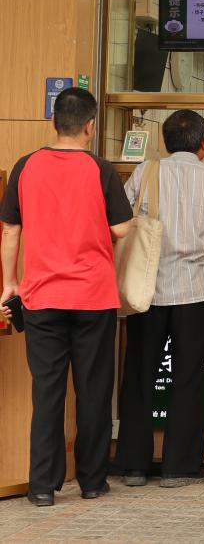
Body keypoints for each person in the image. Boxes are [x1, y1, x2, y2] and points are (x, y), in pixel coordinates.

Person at [0, 88, 133, 507]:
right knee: (93, 391)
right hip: (93, 296)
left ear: (53, 122)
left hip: (41, 296)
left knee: (48, 391)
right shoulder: (100, 168)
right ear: (91, 126)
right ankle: (92, 481)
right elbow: (123, 228)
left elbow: (10, 229)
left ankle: (42, 485)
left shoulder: (25, 166)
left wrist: (10, 282)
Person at [116, 110, 204, 489]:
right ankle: (180, 467)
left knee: (139, 376)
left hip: (148, 288)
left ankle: (134, 466)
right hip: (195, 291)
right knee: (188, 378)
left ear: (165, 142)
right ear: (203, 144)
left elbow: (121, 221)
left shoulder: (145, 171)